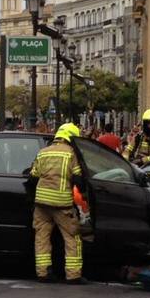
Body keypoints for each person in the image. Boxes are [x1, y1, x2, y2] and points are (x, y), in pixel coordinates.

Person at [28, 122, 86, 285]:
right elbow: (78, 179)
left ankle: (43, 273)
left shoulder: (43, 152)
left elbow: (32, 177)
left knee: (41, 237)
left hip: (41, 203)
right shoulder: (71, 154)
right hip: (62, 204)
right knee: (72, 237)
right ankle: (73, 275)